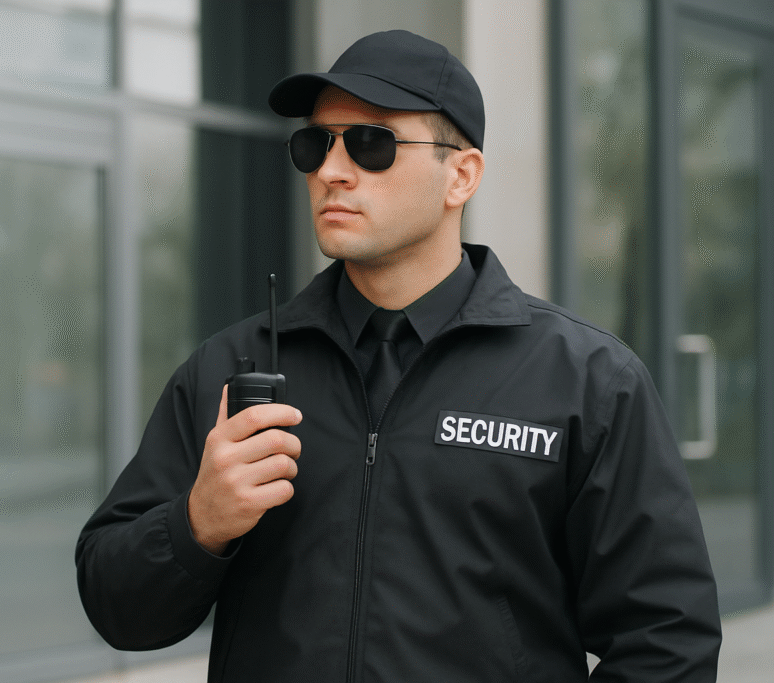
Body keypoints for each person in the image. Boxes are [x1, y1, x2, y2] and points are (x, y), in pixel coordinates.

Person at [76, 30, 721, 681]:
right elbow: (115, 606)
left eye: (370, 142)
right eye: (315, 143)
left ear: (460, 176)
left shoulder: (586, 382)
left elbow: (667, 639)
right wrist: (198, 524)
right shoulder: (232, 371)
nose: (331, 170)